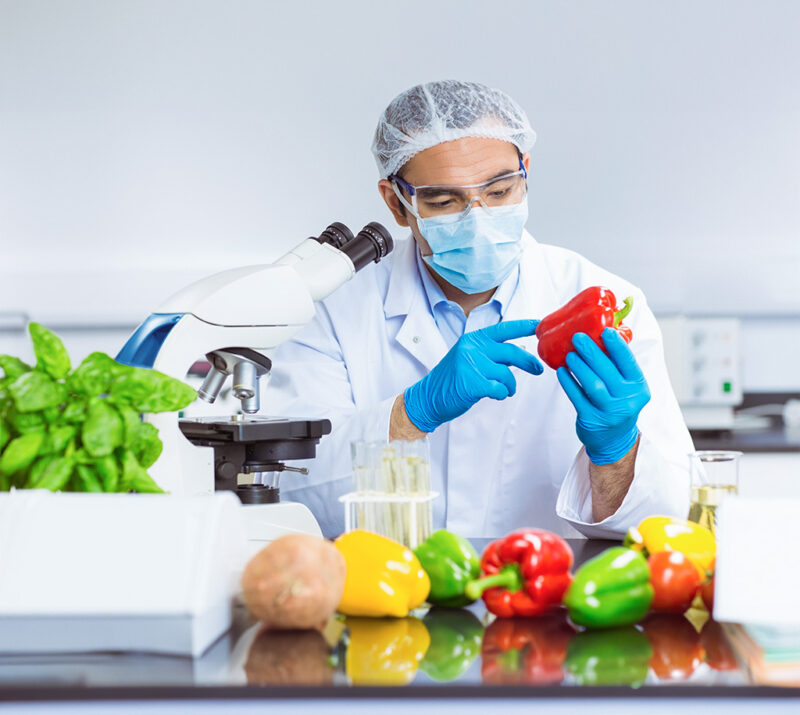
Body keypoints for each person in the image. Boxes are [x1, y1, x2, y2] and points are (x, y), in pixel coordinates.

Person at [265, 80, 693, 539]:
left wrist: (617, 451)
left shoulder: (602, 298)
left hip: (546, 598)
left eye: (499, 191)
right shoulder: (331, 310)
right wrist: (410, 414)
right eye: (444, 200)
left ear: (525, 171)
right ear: (396, 202)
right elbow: (291, 495)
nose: (479, 218)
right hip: (384, 595)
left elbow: (662, 526)